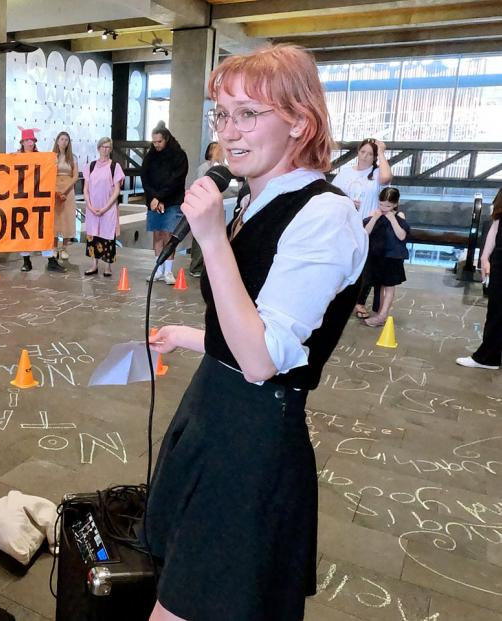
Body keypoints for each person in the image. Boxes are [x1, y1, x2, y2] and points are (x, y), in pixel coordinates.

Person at [146, 45, 367, 621]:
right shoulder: (255, 197)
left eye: (249, 114)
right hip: (212, 416)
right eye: (222, 114)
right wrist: (191, 337)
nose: (230, 133)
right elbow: (249, 320)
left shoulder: (325, 215)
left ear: (300, 120)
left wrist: (213, 240)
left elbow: (264, 359)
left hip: (251, 441)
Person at [331, 138, 392, 318]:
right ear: (358, 152)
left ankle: (359, 302)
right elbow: (332, 196)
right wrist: (348, 203)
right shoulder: (345, 173)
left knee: (366, 267)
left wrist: (381, 151)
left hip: (369, 225)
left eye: (370, 154)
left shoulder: (376, 174)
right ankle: (337, 297)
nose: (365, 156)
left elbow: (387, 178)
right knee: (343, 263)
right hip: (346, 225)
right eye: (363, 152)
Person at [457, 188, 502, 370]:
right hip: (500, 257)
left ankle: (489, 357)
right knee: (497, 310)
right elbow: (497, 223)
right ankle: (489, 356)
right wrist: (485, 257)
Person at [141, 126, 189, 284]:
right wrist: (153, 199)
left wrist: (161, 198)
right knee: (157, 235)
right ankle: (158, 270)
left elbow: (176, 180)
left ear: (166, 138)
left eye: (159, 141)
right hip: (154, 202)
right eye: (154, 142)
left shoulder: (179, 155)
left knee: (168, 234)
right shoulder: (150, 156)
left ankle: (168, 271)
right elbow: (145, 178)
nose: (156, 145)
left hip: (172, 201)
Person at [15, 128, 65, 273]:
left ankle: (51, 260)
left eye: (32, 140)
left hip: (38, 198)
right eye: (27, 140)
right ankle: (26, 261)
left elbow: (47, 178)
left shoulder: (41, 158)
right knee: (23, 229)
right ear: (23, 142)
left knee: (43, 229)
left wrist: (55, 192)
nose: (30, 143)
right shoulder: (17, 157)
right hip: (22, 199)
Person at [361, 187, 410, 327]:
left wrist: (392, 219)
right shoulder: (375, 213)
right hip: (376, 255)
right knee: (379, 285)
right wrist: (375, 217)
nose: (384, 208)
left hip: (392, 257)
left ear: (395, 204)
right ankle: (379, 313)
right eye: (381, 204)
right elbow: (364, 233)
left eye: (388, 205)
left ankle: (382, 315)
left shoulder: (399, 215)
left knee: (389, 286)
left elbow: (402, 236)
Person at [81, 137, 124, 277]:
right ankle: (94, 264)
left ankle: (108, 266)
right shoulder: (90, 166)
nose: (105, 150)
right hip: (93, 208)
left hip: (108, 208)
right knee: (93, 235)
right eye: (103, 147)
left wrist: (106, 207)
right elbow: (85, 188)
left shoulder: (115, 167)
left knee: (108, 236)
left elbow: (117, 190)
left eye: (108, 147)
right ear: (98, 148)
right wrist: (90, 205)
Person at [188, 141, 226, 277]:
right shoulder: (204, 168)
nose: (218, 152)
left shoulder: (223, 168)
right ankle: (196, 267)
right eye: (215, 149)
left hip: (218, 207)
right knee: (201, 238)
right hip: (204, 208)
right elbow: (200, 186)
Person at [52, 132, 78, 261]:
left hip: (68, 191)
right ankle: (54, 247)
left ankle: (64, 248)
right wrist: (57, 191)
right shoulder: (51, 157)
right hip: (54, 190)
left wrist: (65, 190)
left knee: (68, 218)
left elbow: (75, 176)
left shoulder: (72, 157)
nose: (64, 142)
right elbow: (48, 174)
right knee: (55, 218)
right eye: (61, 139)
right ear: (57, 141)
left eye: (66, 140)